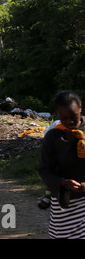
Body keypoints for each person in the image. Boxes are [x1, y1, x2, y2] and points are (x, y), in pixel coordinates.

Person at [38, 90, 85, 238]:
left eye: (73, 117)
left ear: (80, 109)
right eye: (63, 118)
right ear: (57, 114)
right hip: (66, 202)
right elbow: (44, 169)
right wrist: (62, 182)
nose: (69, 122)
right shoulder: (53, 136)